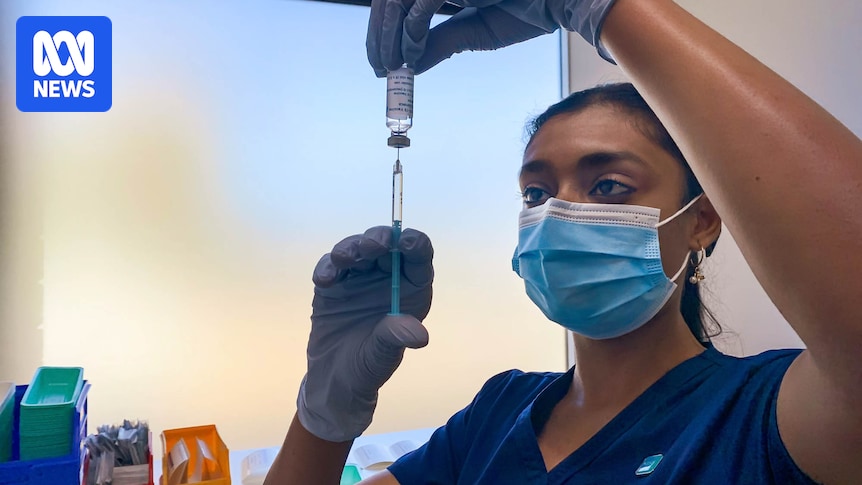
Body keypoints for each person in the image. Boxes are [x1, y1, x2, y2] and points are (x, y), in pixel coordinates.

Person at [264, 0, 862, 483]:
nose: (558, 214)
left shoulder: (758, 416)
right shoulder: (497, 415)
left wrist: (610, 8)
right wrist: (325, 413)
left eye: (608, 185)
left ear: (701, 219)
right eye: (535, 194)